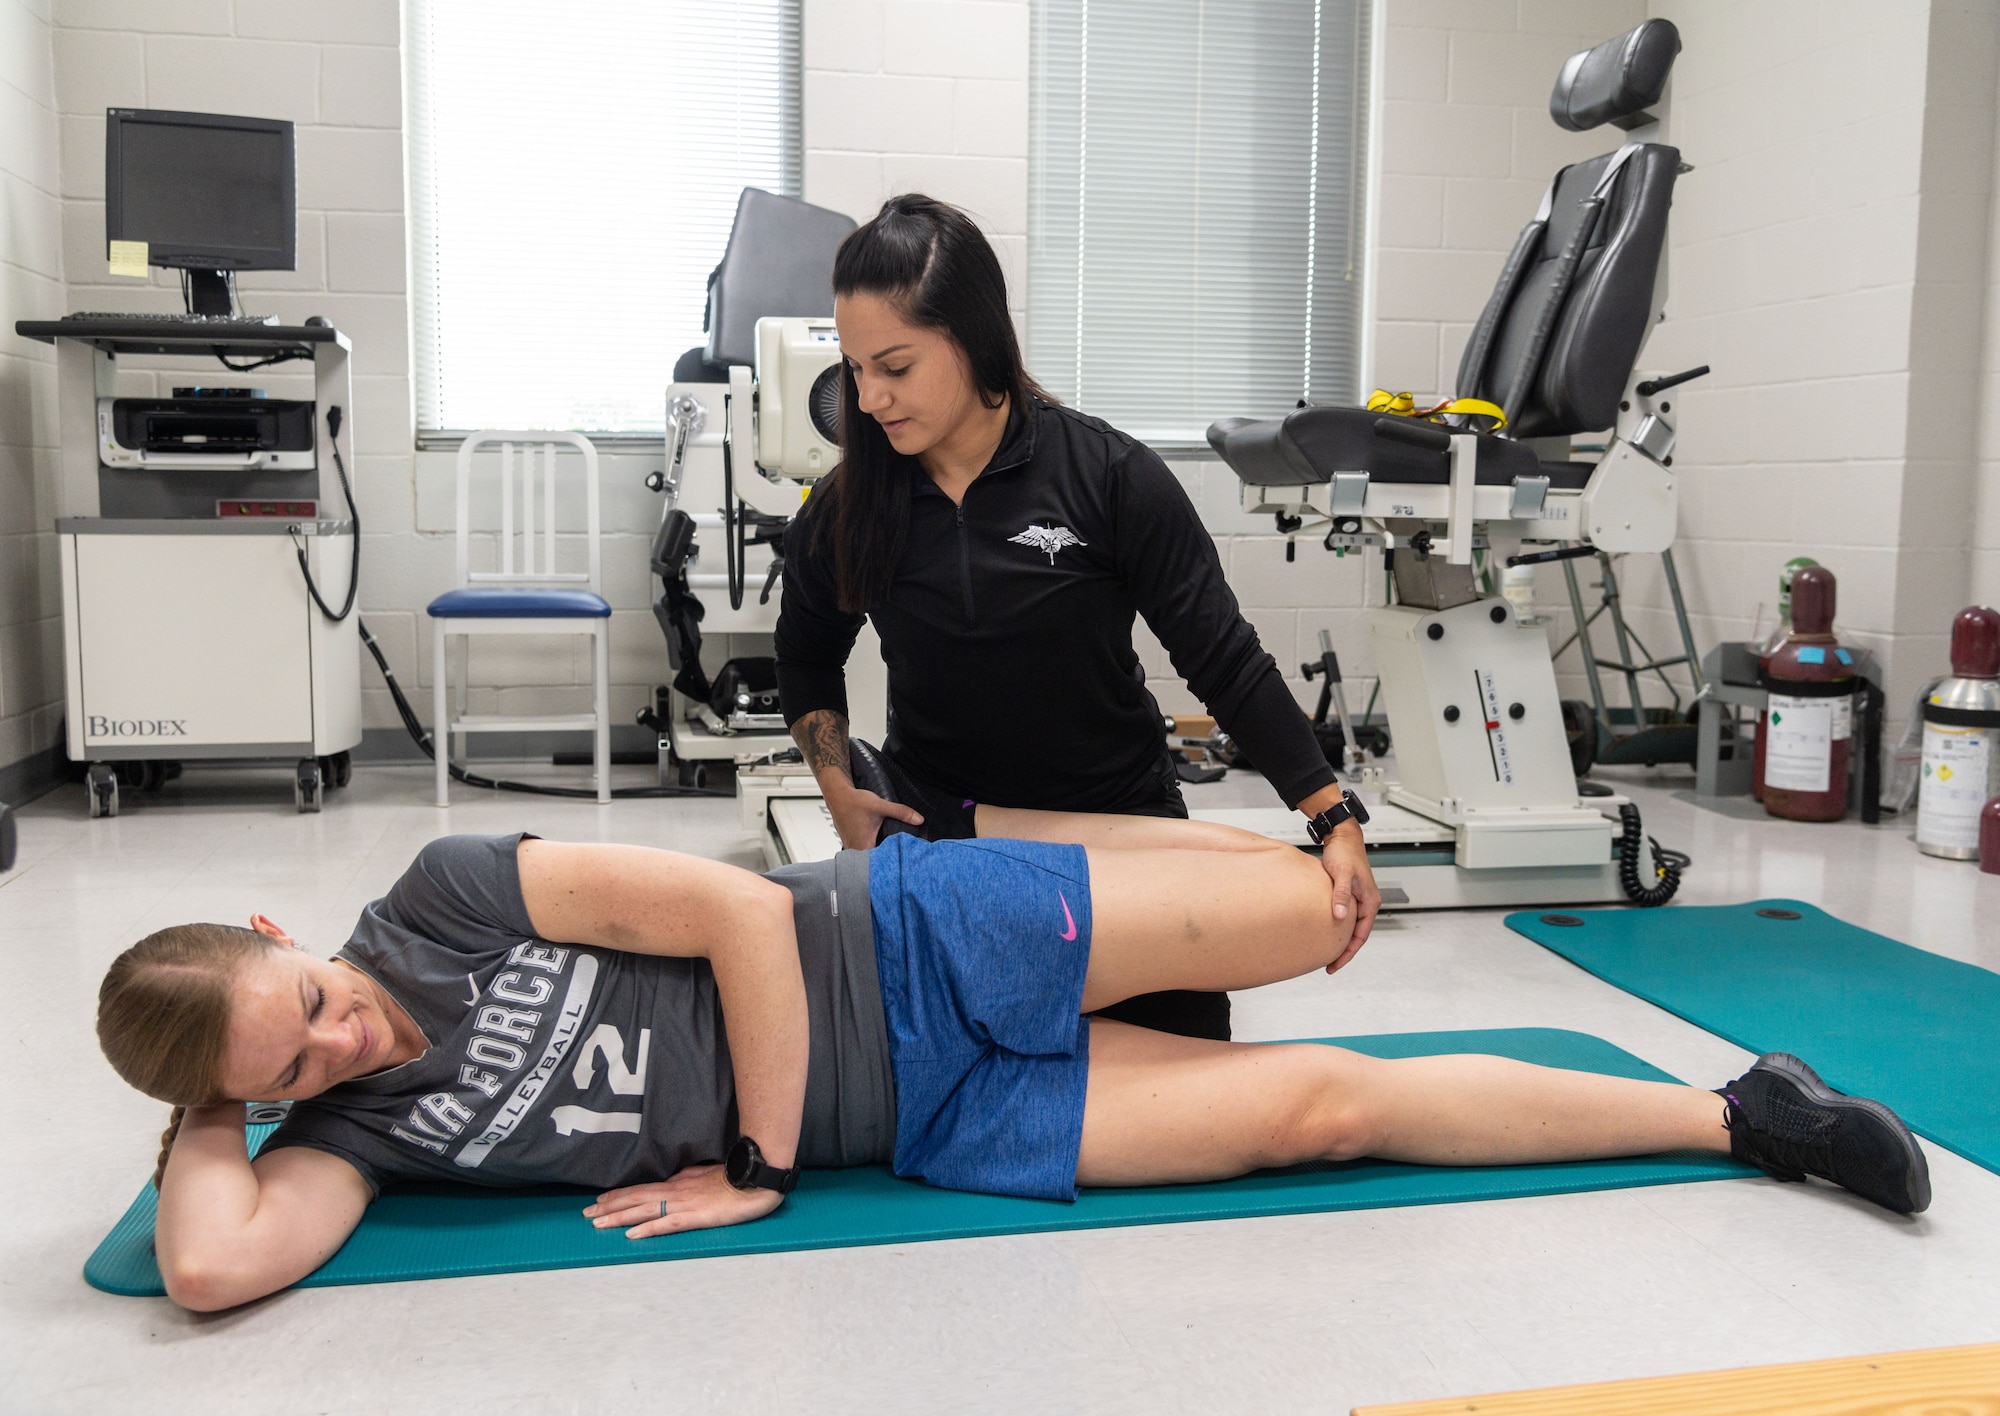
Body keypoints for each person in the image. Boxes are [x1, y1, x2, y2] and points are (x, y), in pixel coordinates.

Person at [98, 814, 1928, 1314]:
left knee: (1315, 914)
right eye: (299, 1063)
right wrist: (226, 1086)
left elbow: (739, 920)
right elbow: (212, 1265)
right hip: (945, 1114)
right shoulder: (346, 1132)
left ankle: (1061, 830)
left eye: (318, 994)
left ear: (289, 928)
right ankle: (1747, 1110)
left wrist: (750, 1156)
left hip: (905, 930)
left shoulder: (438, 900)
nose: (360, 1034)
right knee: (1323, 1109)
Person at [775, 194, 1380, 1044]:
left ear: (973, 336)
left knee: (1182, 1071)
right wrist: (837, 784)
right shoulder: (853, 503)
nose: (869, 397)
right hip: (950, 834)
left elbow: (1223, 658)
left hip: (1118, 824)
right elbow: (804, 655)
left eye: (896, 367)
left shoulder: (1107, 475)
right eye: (854, 368)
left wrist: (1331, 817)